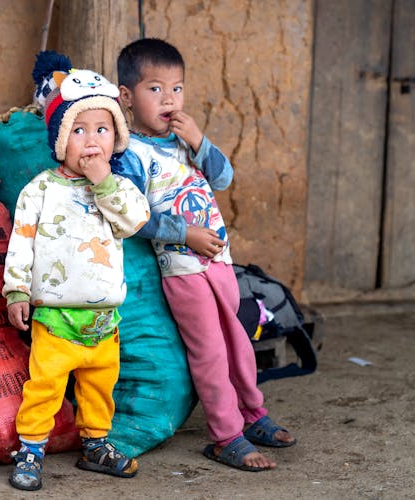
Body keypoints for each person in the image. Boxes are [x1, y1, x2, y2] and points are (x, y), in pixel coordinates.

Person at [112, 38, 296, 472]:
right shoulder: (131, 156)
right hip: (183, 268)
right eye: (155, 89)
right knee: (210, 351)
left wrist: (199, 139)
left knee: (237, 342)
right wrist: (186, 235)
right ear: (126, 97)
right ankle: (225, 437)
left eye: (177, 89)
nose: (169, 99)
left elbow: (225, 178)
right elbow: (136, 218)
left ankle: (253, 415)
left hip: (220, 262)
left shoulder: (184, 140)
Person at [2, 50, 150, 491]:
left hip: (105, 318)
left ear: (116, 139)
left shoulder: (118, 187)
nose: (91, 141)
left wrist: (105, 181)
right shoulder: (41, 189)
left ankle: (95, 445)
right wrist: (16, 292)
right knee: (44, 385)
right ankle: (30, 450)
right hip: (55, 316)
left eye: (102, 130)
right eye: (79, 130)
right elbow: (21, 241)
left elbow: (134, 221)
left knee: (99, 386)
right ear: (59, 137)